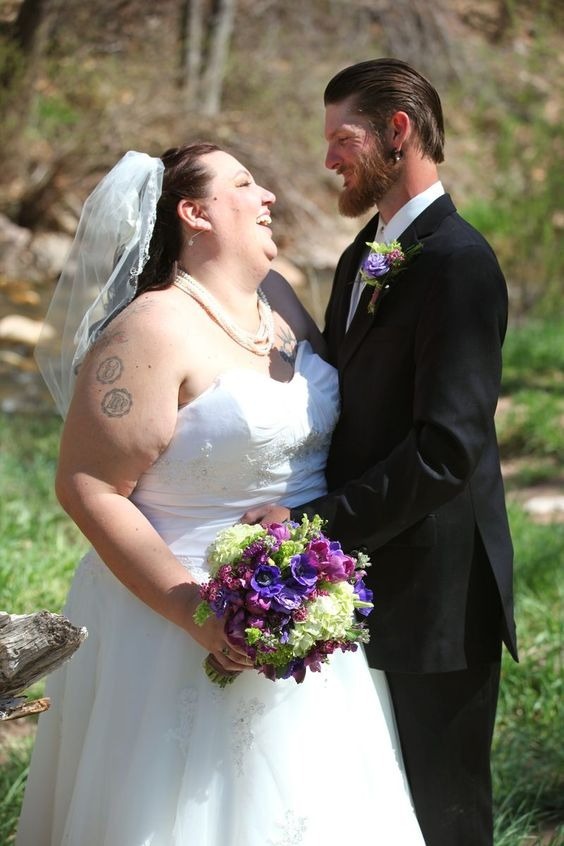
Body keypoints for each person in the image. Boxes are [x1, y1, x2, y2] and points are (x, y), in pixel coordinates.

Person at [16, 143, 425, 845]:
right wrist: (195, 609)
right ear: (194, 213)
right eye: (243, 183)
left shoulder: (283, 298)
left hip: (312, 611)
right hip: (177, 620)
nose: (267, 195)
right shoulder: (150, 330)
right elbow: (86, 486)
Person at [243, 59, 518, 846]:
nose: (329, 158)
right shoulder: (369, 250)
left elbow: (446, 451)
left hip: (439, 591)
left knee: (444, 807)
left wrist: (312, 525)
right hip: (365, 577)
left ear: (399, 132)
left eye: (344, 138)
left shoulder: (461, 265)